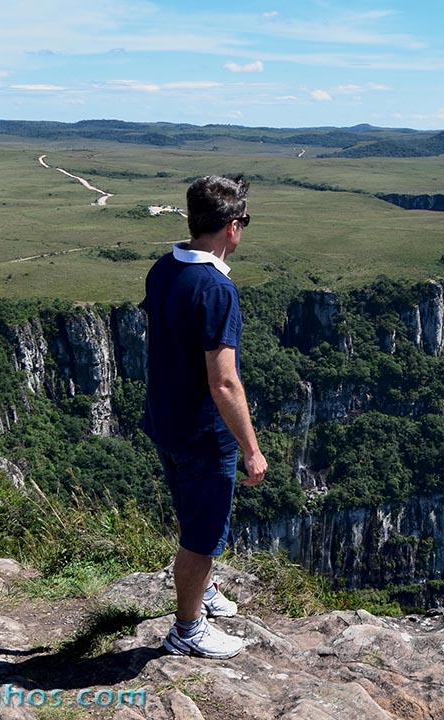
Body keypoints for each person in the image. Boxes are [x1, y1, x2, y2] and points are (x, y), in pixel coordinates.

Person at [142, 174, 267, 659]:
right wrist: (251, 450)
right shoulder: (216, 289)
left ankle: (205, 589)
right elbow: (224, 381)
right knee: (202, 534)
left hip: (165, 421)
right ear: (232, 227)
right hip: (201, 434)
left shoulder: (163, 268)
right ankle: (187, 629)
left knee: (190, 515)